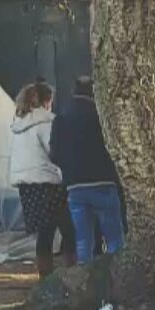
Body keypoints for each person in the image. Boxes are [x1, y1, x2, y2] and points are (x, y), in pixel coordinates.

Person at [50, 76, 125, 264]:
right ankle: (116, 278)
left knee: (83, 240)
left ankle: (85, 280)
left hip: (74, 185)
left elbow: (54, 152)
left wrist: (68, 168)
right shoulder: (103, 115)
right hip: (103, 181)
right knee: (114, 240)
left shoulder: (61, 116)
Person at [9, 82, 75, 279]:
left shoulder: (19, 125)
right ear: (47, 101)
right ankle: (73, 271)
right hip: (48, 181)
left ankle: (45, 275)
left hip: (27, 184)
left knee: (44, 232)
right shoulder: (46, 123)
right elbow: (54, 150)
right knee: (69, 228)